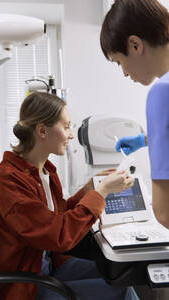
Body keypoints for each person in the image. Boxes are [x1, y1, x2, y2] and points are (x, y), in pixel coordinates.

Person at [0, 91, 137, 300]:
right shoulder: (9, 180)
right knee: (122, 291)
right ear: (42, 131)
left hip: (49, 267)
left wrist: (90, 189)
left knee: (122, 276)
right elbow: (58, 234)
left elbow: (56, 215)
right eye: (66, 126)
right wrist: (101, 193)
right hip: (27, 285)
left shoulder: (45, 171)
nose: (71, 135)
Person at [100, 0, 169, 230]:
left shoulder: (162, 93)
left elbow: (165, 212)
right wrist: (146, 140)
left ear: (135, 45)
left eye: (120, 62)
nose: (125, 73)